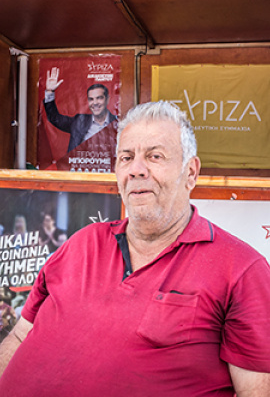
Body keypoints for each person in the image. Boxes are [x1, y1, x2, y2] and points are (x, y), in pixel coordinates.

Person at [0, 100, 270, 396]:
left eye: (155, 156)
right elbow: (20, 336)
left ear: (190, 173)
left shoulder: (241, 269)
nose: (136, 170)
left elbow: (256, 391)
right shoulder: (83, 242)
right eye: (126, 158)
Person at [44, 67, 117, 152]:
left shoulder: (118, 123)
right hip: (79, 164)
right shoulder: (79, 121)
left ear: (107, 99)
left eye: (99, 98)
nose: (95, 103)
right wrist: (50, 91)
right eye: (91, 99)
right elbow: (54, 118)